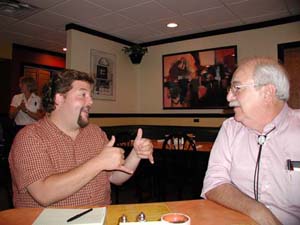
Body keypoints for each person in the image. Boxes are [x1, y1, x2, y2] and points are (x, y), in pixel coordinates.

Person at [9, 69, 154, 208]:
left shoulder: (95, 133)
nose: (90, 102)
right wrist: (99, 162)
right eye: (83, 95)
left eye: (90, 96)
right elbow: (44, 194)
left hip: (100, 218)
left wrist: (136, 154)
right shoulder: (29, 138)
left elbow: (115, 177)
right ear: (59, 98)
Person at [201, 57, 300, 225]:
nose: (228, 97)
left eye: (237, 88)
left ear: (267, 93)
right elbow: (214, 183)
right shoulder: (230, 129)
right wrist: (256, 210)